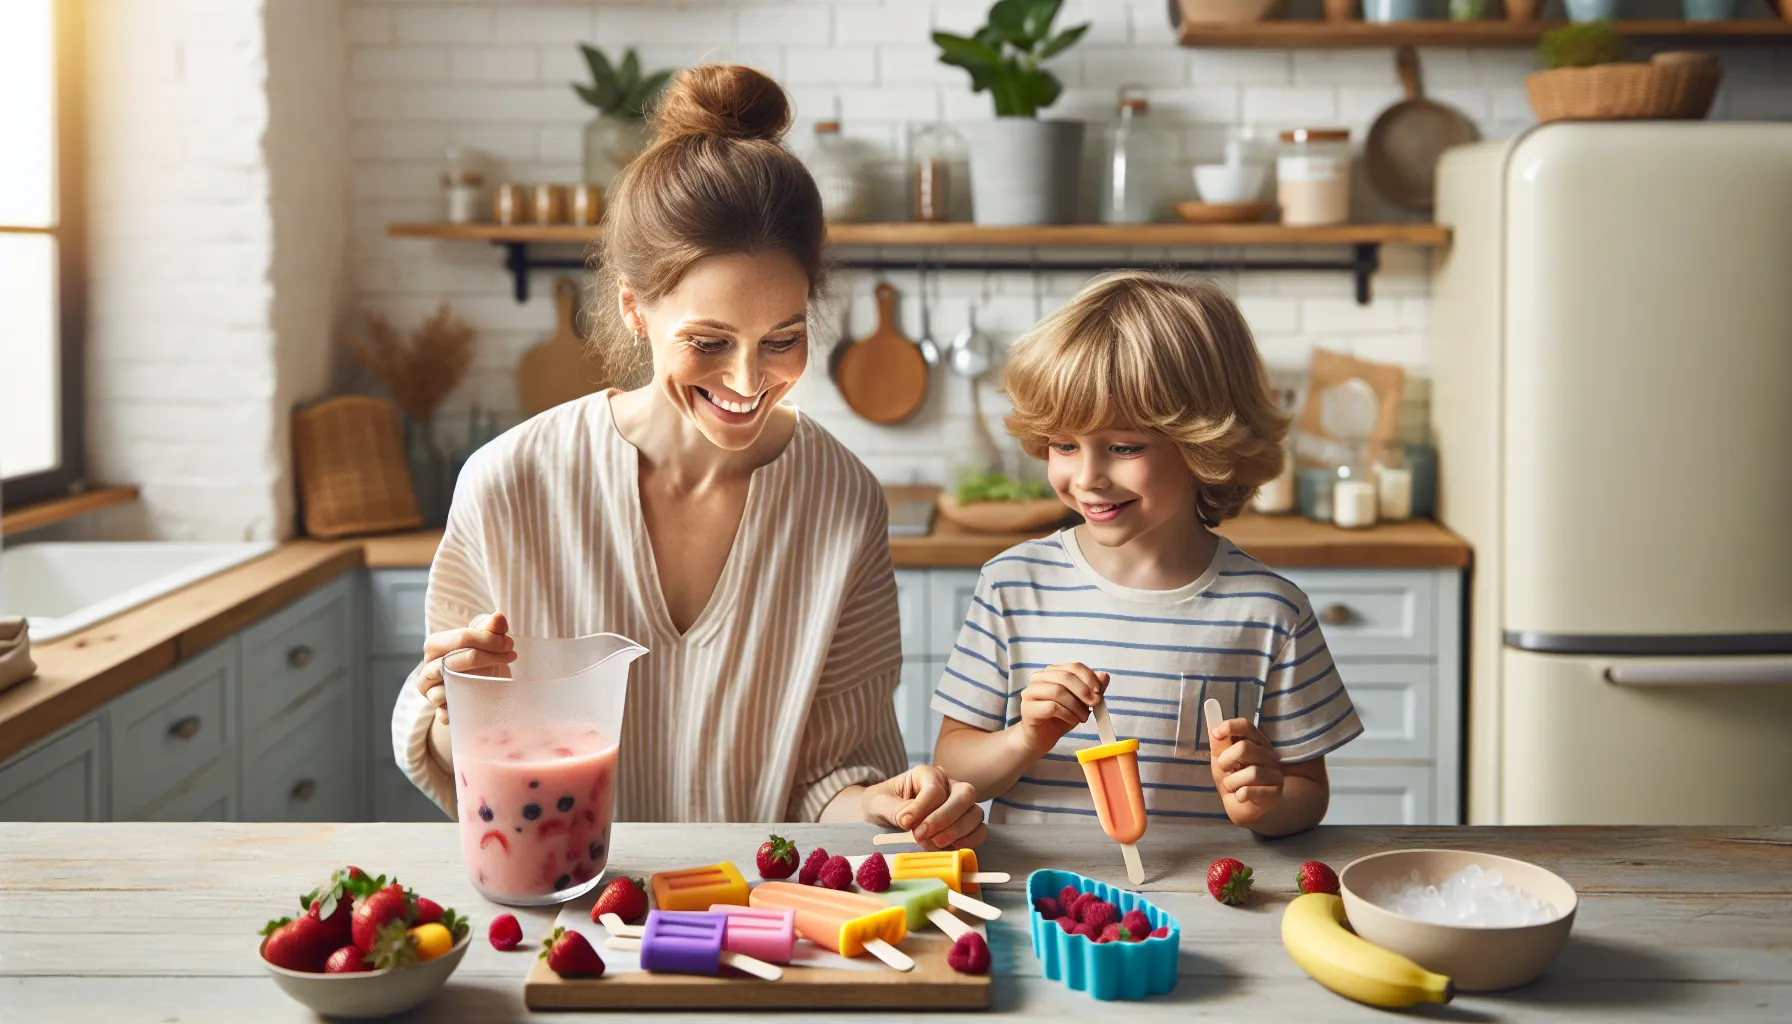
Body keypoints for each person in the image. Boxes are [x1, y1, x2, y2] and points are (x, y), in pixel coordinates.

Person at [391, 64, 984, 850]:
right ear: (635, 307)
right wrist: (448, 707)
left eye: (783, 340)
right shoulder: (511, 484)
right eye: (708, 342)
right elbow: (468, 768)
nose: (747, 382)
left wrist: (881, 804)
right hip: (572, 915)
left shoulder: (839, 498)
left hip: (764, 921)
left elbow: (830, 778)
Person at [929, 272, 1361, 837]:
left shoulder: (1269, 610)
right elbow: (953, 766)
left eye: (1124, 447)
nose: (1087, 478)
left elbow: (1308, 790)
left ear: (1204, 444)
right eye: (1064, 445)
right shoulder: (1013, 584)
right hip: (1044, 902)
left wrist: (1264, 802)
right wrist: (1025, 738)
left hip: (1200, 908)